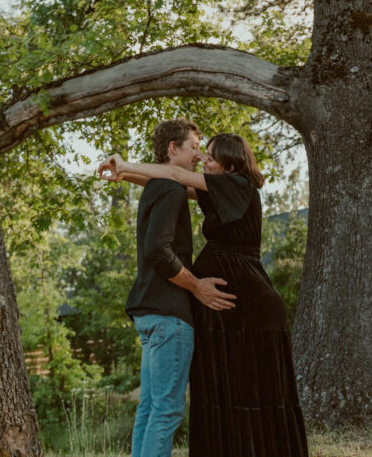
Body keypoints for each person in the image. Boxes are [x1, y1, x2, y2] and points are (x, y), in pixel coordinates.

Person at [100, 132, 309, 457]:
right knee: (214, 395)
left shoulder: (240, 186)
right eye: (201, 152)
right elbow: (170, 183)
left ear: (230, 163)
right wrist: (125, 174)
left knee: (250, 394)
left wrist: (125, 164)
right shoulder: (220, 190)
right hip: (223, 310)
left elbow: (175, 175)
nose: (203, 160)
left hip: (248, 307)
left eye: (210, 156)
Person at [100, 119, 236, 457]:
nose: (197, 155)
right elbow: (158, 252)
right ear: (172, 148)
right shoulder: (170, 188)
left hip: (150, 314)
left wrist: (124, 171)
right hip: (168, 316)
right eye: (192, 147)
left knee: (149, 409)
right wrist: (196, 287)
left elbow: (171, 181)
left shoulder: (157, 186)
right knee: (167, 411)